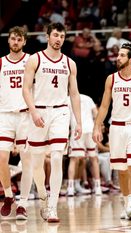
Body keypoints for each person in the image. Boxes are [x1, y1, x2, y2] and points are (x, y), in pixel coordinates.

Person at [22, 22, 82, 223]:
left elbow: (74, 94)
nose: (59, 39)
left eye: (62, 36)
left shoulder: (69, 63)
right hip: (39, 112)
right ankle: (42, 195)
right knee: (37, 162)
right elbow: (25, 89)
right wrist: (33, 111)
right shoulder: (35, 59)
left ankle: (53, 207)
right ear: (47, 36)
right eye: (55, 35)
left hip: (60, 113)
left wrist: (79, 122)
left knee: (57, 157)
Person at [92, 43, 131, 220]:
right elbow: (104, 106)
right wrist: (97, 126)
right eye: (118, 55)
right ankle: (126, 205)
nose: (118, 58)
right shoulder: (111, 79)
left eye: (122, 55)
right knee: (122, 170)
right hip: (117, 127)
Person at [0, 26, 33, 220]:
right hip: (5, 115)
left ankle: (24, 203)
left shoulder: (31, 61)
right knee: (1, 159)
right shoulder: (1, 63)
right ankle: (9, 196)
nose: (16, 42)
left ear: (24, 42)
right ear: (8, 40)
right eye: (13, 39)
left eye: (19, 40)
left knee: (26, 161)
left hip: (25, 115)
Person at [67, 94, 102, 196]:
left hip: (77, 129)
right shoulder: (88, 98)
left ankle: (70, 187)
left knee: (73, 159)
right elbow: (96, 115)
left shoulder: (67, 99)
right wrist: (98, 129)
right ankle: (98, 187)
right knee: (93, 158)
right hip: (90, 129)